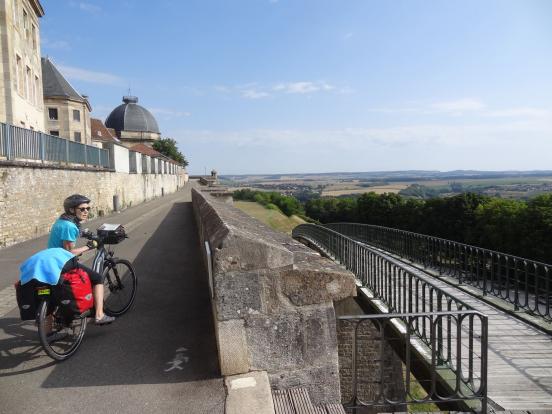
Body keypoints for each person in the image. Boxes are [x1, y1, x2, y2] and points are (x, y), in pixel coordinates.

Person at [47, 194, 114, 325]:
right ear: (72, 210)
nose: (86, 211)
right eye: (82, 209)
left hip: (50, 260)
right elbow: (69, 252)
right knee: (97, 278)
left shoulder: (62, 221)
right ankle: (99, 315)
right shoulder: (69, 226)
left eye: (88, 208)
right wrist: (88, 246)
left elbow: (71, 233)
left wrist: (85, 234)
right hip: (62, 262)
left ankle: (48, 334)